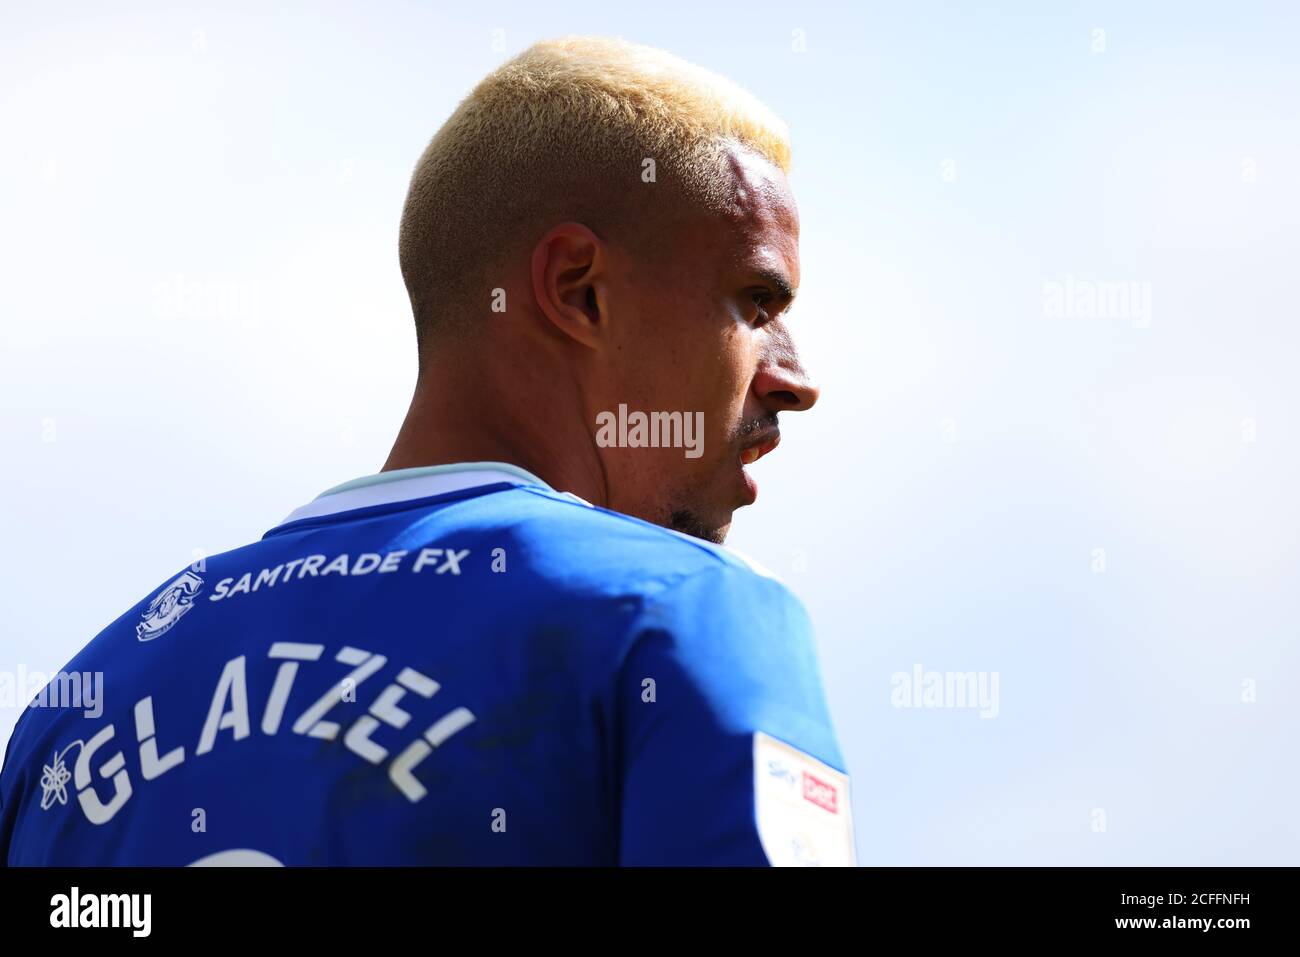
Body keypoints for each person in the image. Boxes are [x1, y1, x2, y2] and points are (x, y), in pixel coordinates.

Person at [0, 35, 854, 866]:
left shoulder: (71, 717)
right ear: (577, 292)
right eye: (754, 301)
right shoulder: (684, 615)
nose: (795, 378)